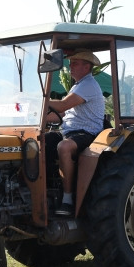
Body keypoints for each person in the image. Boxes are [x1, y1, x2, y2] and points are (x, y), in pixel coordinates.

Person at [45, 50, 105, 217]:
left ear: (87, 66)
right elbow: (65, 114)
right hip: (70, 130)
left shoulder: (88, 85)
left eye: (75, 63)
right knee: (38, 141)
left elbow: (63, 106)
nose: (70, 66)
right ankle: (44, 190)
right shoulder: (78, 85)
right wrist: (40, 118)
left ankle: (68, 199)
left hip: (87, 133)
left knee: (64, 147)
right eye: (71, 63)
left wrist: (40, 100)